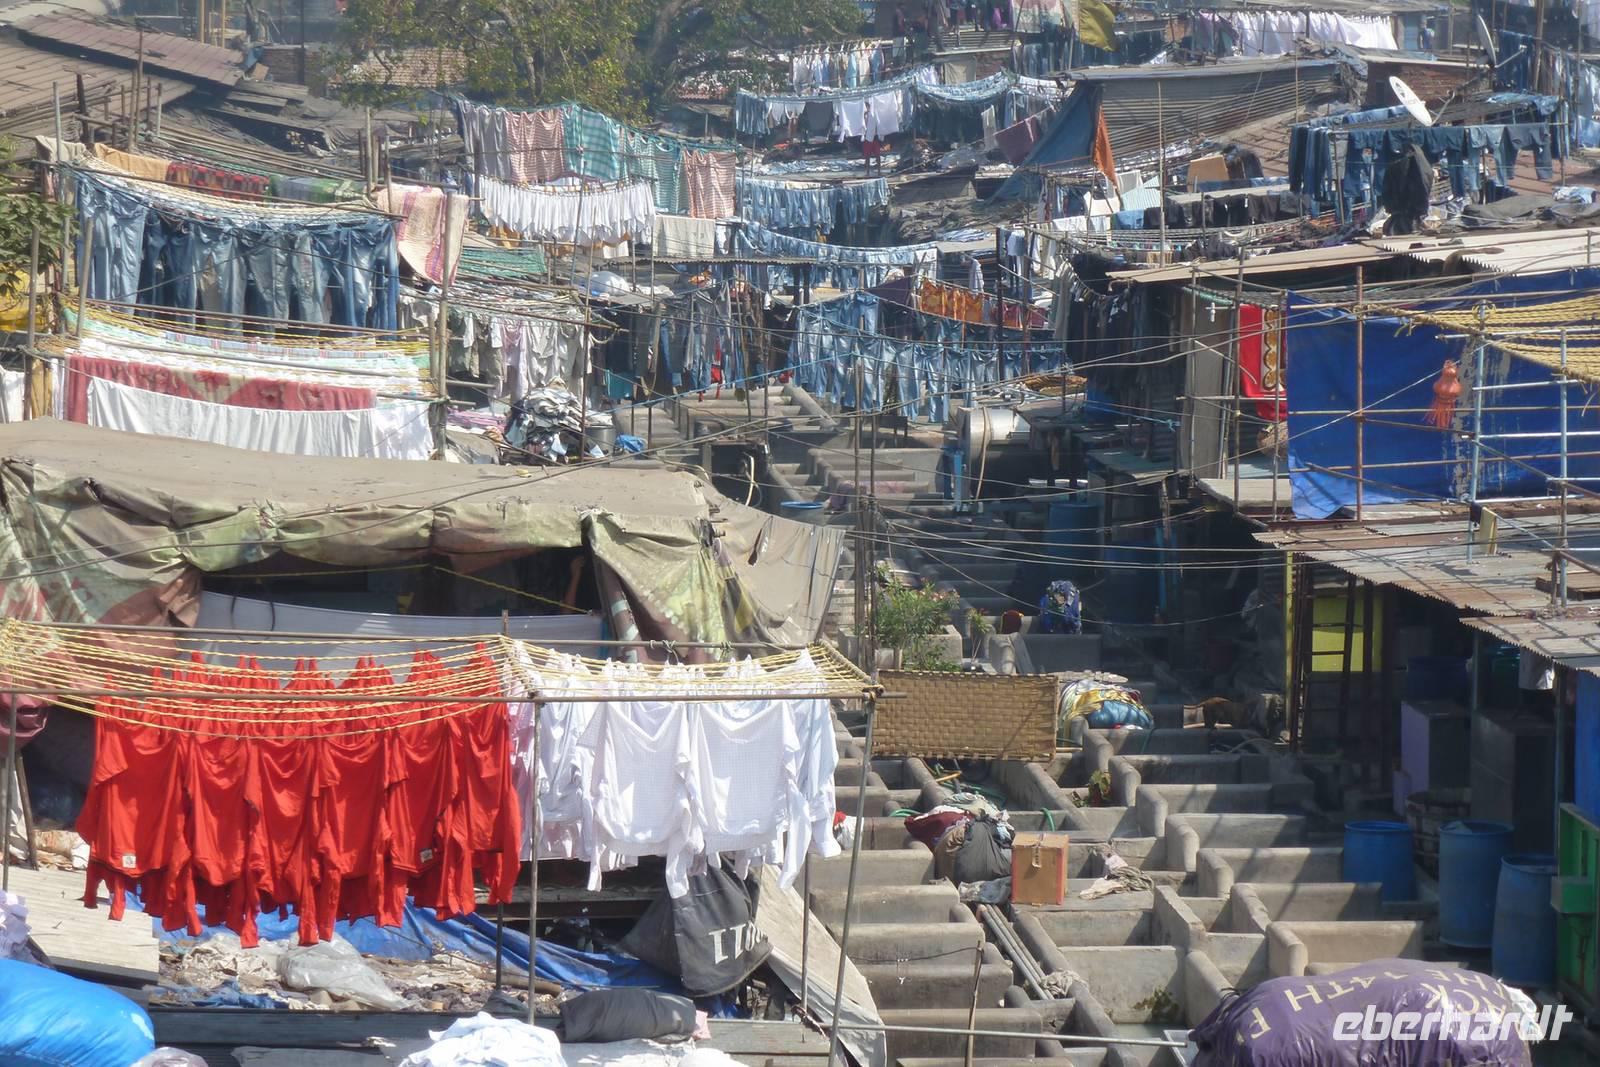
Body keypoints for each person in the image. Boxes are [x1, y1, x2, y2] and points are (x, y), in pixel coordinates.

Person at [862, 100, 883, 175]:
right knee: (867, 156)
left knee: (877, 155)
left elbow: (877, 124)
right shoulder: (864, 115)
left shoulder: (873, 114)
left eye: (867, 107)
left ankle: (879, 171)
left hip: (875, 137)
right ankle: (867, 172)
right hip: (867, 138)